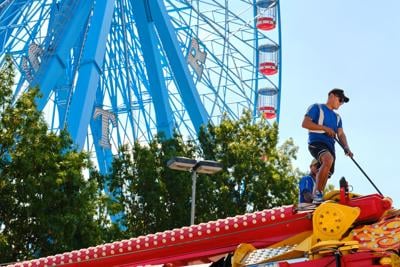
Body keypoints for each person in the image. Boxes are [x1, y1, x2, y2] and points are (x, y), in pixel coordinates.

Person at [302, 88, 353, 203]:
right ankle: (317, 194)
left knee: (327, 170)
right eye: (340, 100)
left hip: (330, 146)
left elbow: (340, 133)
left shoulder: (338, 118)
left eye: (343, 102)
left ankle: (316, 198)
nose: (341, 103)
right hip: (316, 142)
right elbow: (305, 123)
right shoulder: (317, 108)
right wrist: (324, 128)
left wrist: (346, 147)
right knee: (327, 159)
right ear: (331, 96)